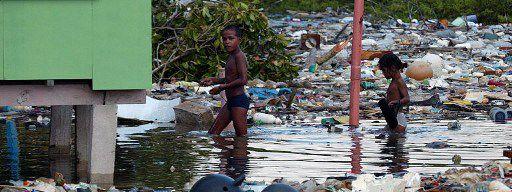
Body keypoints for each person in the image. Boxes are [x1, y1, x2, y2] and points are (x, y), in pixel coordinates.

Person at [200, 25, 249, 137]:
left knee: (241, 138)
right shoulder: (231, 56)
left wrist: (221, 87)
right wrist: (213, 80)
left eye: (231, 38)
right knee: (212, 134)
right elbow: (230, 78)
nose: (227, 42)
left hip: (239, 102)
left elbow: (243, 80)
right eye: (224, 39)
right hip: (231, 102)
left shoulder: (239, 56)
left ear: (239, 40)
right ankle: (228, 154)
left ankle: (236, 154)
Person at [377, 53, 410, 132]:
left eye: (384, 70)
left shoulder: (399, 82)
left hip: (398, 120)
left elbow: (407, 98)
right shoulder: (393, 81)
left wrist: (397, 102)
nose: (383, 74)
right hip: (393, 119)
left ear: (393, 68)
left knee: (394, 141)